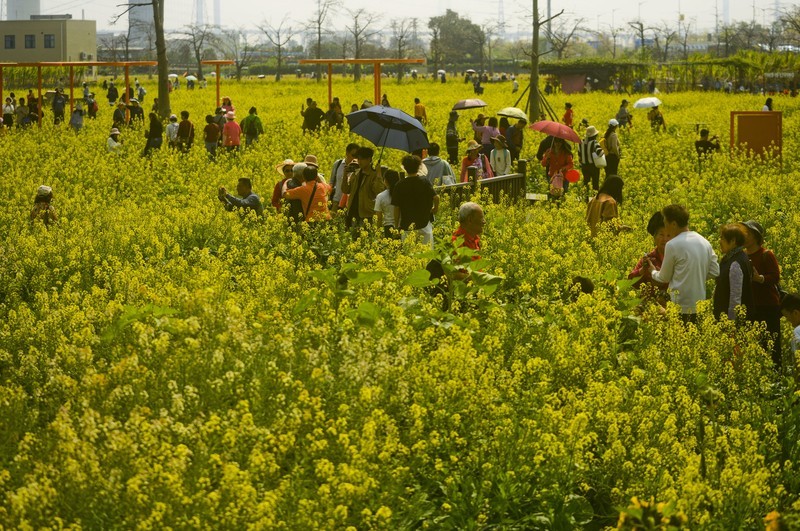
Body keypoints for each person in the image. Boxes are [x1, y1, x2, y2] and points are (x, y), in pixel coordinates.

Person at [645, 204, 720, 321]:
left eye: (665, 223)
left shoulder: (673, 245)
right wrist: (695, 277)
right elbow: (715, 271)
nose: (665, 226)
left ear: (673, 224)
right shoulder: (704, 242)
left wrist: (653, 271)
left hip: (679, 305)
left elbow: (664, 277)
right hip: (699, 304)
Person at [740, 220, 783, 368]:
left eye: (747, 233)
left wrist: (760, 279)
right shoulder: (742, 256)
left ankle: (776, 378)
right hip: (750, 307)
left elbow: (775, 277)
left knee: (771, 345)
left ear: (756, 237)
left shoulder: (766, 254)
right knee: (752, 345)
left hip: (768, 307)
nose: (744, 236)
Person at [392, 155, 439, 249]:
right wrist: (435, 209)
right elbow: (436, 197)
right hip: (424, 224)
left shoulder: (399, 185)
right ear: (419, 167)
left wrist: (396, 225)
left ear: (404, 168)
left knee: (410, 255)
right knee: (427, 254)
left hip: (407, 226)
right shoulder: (424, 181)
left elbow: (396, 208)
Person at [628, 212, 670, 305]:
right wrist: (642, 270)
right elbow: (631, 283)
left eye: (668, 235)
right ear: (654, 238)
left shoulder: (678, 259)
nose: (665, 239)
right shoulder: (649, 259)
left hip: (672, 308)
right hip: (648, 306)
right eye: (661, 235)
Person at [713, 224, 753, 321]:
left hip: (730, 321)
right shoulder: (737, 257)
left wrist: (731, 323)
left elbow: (735, 297)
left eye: (722, 238)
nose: (720, 241)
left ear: (733, 241)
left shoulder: (735, 263)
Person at [341, 147, 384, 228]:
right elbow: (346, 190)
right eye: (358, 159)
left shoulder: (373, 174)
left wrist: (379, 175)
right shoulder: (356, 173)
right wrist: (345, 176)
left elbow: (379, 191)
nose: (359, 161)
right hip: (352, 212)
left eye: (362, 159)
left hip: (366, 215)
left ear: (369, 159)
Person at [329, 143, 360, 212]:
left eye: (357, 156)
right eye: (353, 155)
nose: (355, 158)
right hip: (336, 201)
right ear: (347, 153)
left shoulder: (359, 167)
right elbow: (332, 181)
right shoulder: (338, 164)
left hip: (349, 204)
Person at [374, 169, 400, 237]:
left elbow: (379, 218)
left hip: (388, 228)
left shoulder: (380, 196)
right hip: (402, 227)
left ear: (385, 181)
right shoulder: (402, 194)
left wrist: (378, 233)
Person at [579, 126, 605, 192]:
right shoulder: (594, 142)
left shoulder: (581, 142)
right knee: (595, 185)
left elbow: (579, 154)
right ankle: (594, 200)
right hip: (593, 166)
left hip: (584, 166)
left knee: (586, 184)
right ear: (595, 135)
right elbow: (600, 153)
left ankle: (586, 199)